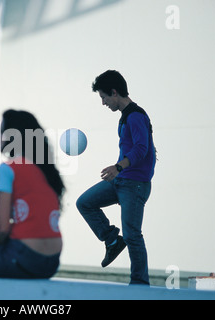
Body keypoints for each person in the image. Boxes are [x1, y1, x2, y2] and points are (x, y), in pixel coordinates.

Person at [76, 70, 156, 285]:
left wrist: (118, 167)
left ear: (114, 93)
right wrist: (119, 171)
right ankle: (111, 239)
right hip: (121, 181)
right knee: (84, 203)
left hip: (134, 185)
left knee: (132, 235)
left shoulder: (136, 115)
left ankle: (140, 283)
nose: (103, 103)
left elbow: (142, 148)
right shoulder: (125, 117)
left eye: (103, 97)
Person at [0, 109, 65, 279]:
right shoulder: (47, 171)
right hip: (52, 263)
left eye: (1, 132)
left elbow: (4, 230)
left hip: (24, 259)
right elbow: (37, 221)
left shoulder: (8, 168)